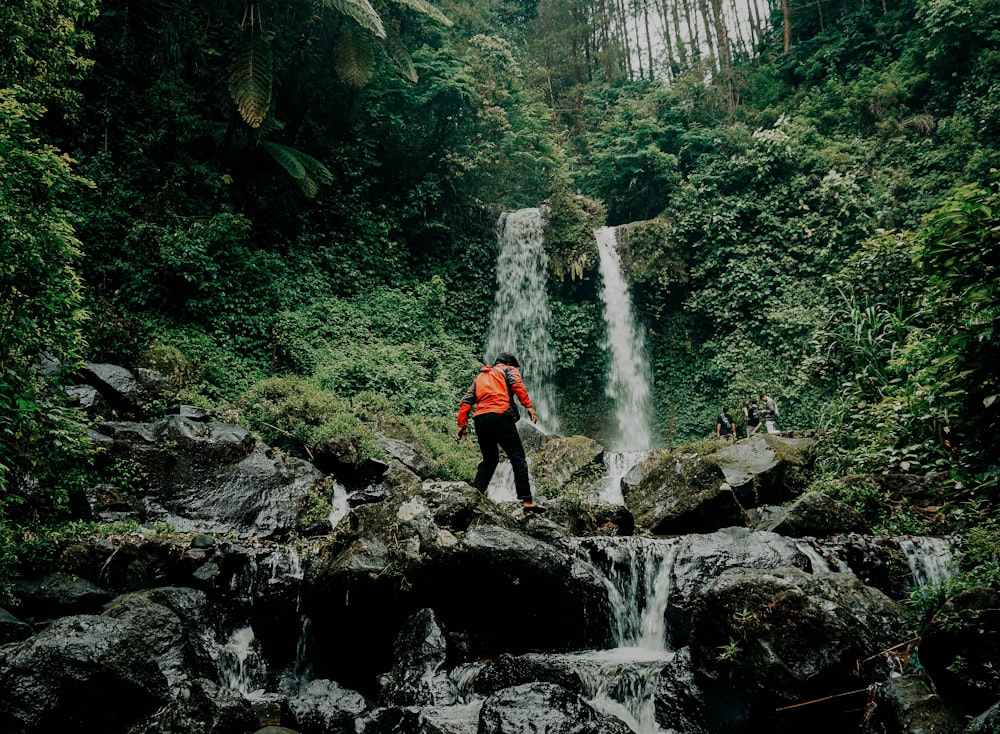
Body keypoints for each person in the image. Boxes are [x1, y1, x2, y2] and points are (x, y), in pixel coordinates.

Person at [457, 352, 545, 512]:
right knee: (517, 456)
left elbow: (466, 401)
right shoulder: (508, 370)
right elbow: (517, 385)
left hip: (481, 420)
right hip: (500, 415)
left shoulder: (480, 378)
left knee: (490, 460)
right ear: (509, 363)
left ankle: (474, 497)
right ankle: (527, 501)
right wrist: (529, 407)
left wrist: (462, 425)